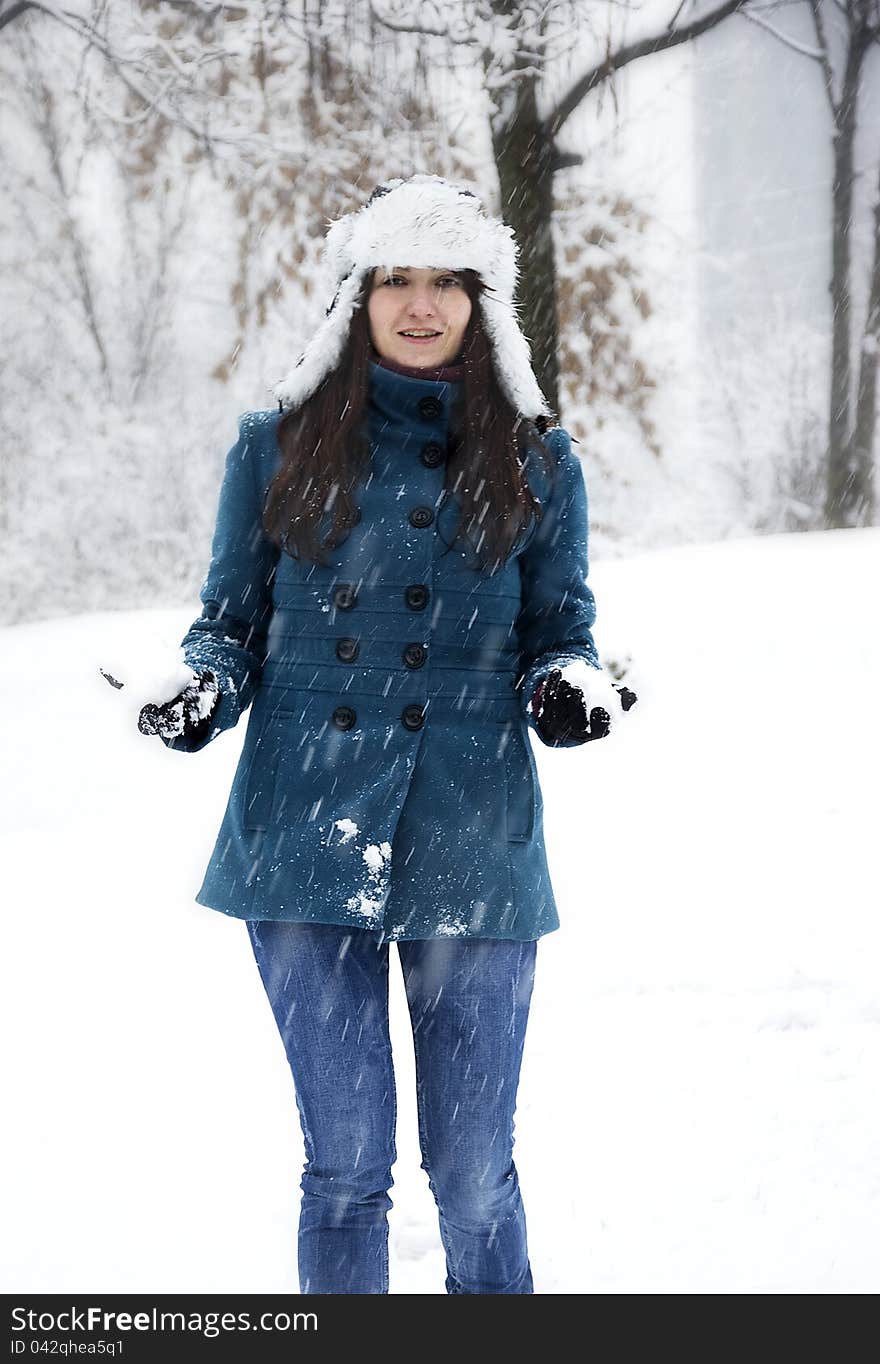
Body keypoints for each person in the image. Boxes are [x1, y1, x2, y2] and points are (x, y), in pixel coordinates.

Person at [130, 173, 636, 1294]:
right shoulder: (275, 447)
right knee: (347, 1168)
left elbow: (562, 627)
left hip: (471, 836)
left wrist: (567, 685)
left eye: (445, 281)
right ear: (356, 299)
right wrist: (201, 691)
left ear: (481, 301)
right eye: (395, 279)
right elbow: (228, 624)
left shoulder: (537, 460)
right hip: (305, 836)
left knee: (471, 1172)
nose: (419, 304)